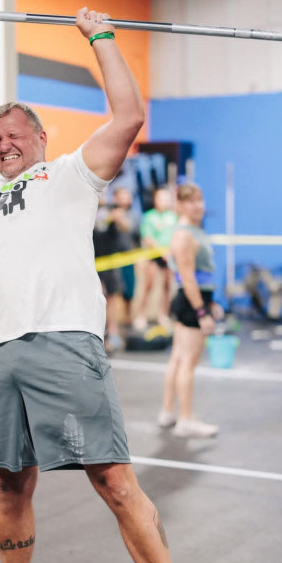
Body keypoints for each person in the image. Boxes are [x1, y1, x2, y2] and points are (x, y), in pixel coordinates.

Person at [0, 7, 225, 563]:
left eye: (16, 133)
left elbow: (129, 115)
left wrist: (99, 38)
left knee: (116, 484)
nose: (4, 143)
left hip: (65, 343)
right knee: (9, 485)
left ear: (42, 138)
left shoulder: (70, 174)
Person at [158, 182, 224, 438]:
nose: (198, 206)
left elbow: (199, 275)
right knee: (188, 362)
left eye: (200, 200)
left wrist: (209, 303)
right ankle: (185, 420)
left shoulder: (194, 231)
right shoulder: (184, 235)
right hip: (190, 301)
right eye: (191, 201)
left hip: (194, 299)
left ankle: (168, 412)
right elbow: (187, 278)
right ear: (181, 205)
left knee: (178, 358)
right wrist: (201, 312)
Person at [93, 184, 139, 351]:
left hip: (111, 260)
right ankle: (97, 332)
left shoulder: (113, 209)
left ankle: (113, 333)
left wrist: (117, 219)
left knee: (112, 297)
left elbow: (126, 227)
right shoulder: (88, 207)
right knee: (96, 296)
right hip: (92, 258)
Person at [132, 186, 179, 331]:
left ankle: (163, 315)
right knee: (149, 284)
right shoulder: (149, 217)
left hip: (169, 256)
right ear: (155, 200)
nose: (163, 201)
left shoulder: (173, 217)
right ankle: (141, 315)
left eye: (166, 198)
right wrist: (160, 251)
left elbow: (177, 235)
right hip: (153, 256)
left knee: (167, 286)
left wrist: (171, 252)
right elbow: (147, 237)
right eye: (160, 198)